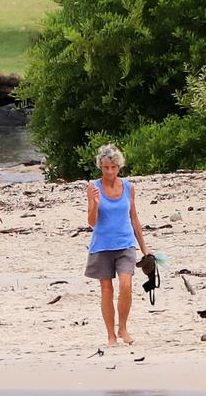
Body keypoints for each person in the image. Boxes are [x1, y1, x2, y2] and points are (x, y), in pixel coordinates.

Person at [86, 144, 153, 348]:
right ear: (101, 167)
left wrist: (145, 249)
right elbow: (91, 222)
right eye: (106, 167)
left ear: (119, 167)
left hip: (125, 244)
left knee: (126, 286)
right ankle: (110, 335)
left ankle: (122, 328)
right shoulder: (93, 187)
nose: (109, 172)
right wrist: (95, 204)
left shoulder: (128, 186)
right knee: (106, 290)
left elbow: (134, 218)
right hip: (102, 246)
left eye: (113, 167)